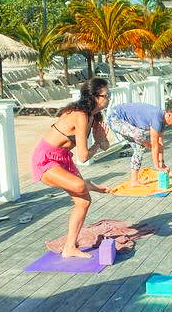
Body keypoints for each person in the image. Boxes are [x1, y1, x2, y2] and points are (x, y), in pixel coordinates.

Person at [31, 77, 113, 258]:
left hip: (63, 159)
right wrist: (97, 145)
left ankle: (69, 247)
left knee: (83, 201)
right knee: (80, 186)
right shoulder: (80, 115)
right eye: (106, 95)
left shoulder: (94, 116)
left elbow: (105, 145)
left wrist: (100, 141)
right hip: (47, 158)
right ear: (94, 97)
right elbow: (83, 156)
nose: (109, 98)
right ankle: (89, 183)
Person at [106, 99, 172, 187]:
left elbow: (160, 143)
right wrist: (157, 166)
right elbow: (155, 145)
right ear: (169, 115)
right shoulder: (157, 118)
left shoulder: (162, 122)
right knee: (140, 134)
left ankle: (134, 181)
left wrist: (161, 163)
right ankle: (147, 147)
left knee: (140, 149)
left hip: (124, 123)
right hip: (115, 118)